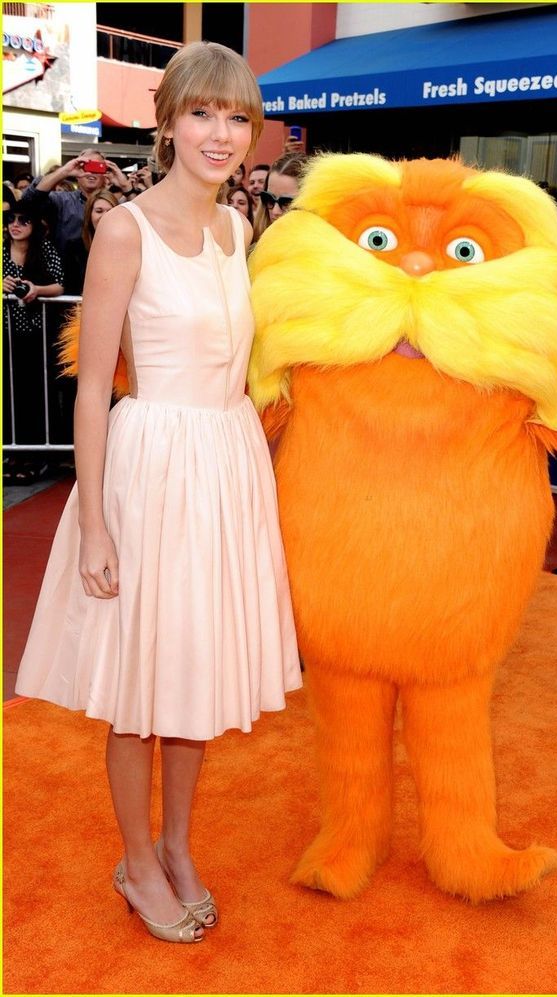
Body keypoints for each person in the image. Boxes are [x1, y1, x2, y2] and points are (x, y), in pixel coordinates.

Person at [15, 41, 301, 943]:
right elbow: (93, 388)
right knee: (142, 685)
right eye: (203, 114)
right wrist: (95, 526)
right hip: (150, 473)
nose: (220, 134)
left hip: (225, 467)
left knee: (196, 673)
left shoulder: (237, 231)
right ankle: (137, 862)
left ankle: (179, 846)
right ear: (168, 121)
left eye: (237, 118)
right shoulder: (122, 231)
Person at [2, 203, 65, 481]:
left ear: (35, 224)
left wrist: (37, 289)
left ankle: (36, 456)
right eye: (11, 219)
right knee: (9, 393)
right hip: (7, 334)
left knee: (36, 394)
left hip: (38, 335)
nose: (15, 225)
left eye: (23, 220)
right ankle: (13, 455)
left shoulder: (46, 249)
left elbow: (60, 285)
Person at [20, 151, 135, 254]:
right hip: (67, 272)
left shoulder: (113, 204)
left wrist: (126, 186)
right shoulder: (62, 201)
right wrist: (65, 171)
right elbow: (28, 201)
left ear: (105, 173)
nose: (91, 172)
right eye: (85, 166)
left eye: (96, 167)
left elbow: (141, 217)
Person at [62, 189, 118, 296]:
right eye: (99, 211)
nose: (105, 216)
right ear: (89, 214)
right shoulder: (74, 247)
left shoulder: (127, 247)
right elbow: (71, 287)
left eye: (110, 211)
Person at [251, 152, 307, 243]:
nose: (275, 211)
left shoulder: (328, 250)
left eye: (286, 202)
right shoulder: (252, 243)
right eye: (269, 199)